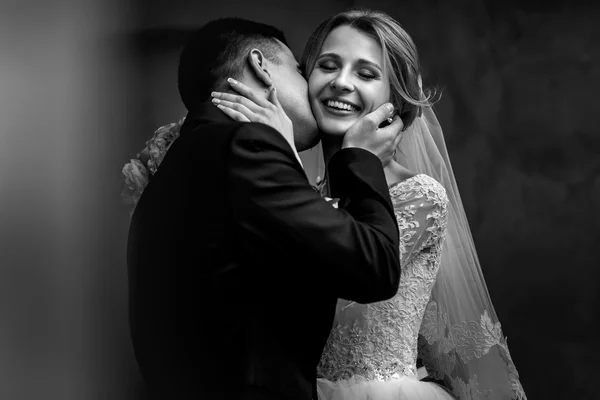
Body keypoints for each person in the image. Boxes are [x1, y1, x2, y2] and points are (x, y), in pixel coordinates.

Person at [214, 8, 527, 400]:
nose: (341, 83)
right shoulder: (296, 191)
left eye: (365, 74)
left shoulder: (419, 196)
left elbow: (335, 273)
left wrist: (285, 155)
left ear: (393, 99)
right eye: (327, 66)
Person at [123, 17, 409, 400]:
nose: (318, 86)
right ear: (261, 66)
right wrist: (358, 158)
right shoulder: (245, 147)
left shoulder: (192, 154)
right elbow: (375, 265)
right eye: (302, 70)